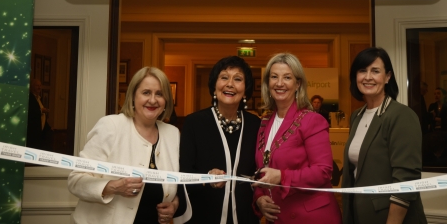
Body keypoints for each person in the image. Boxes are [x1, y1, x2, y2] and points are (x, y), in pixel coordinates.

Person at [68, 67, 189, 224]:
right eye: (146, 92)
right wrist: (113, 187)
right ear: (132, 96)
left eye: (159, 94)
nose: (153, 100)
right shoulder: (111, 125)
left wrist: (174, 204)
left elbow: (179, 184)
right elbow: (76, 180)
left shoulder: (172, 134)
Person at [253, 53, 341, 224]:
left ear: (298, 84)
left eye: (287, 77)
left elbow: (323, 172)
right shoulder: (265, 122)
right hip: (279, 216)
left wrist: (282, 177)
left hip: (311, 217)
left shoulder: (311, 120)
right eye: (274, 77)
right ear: (267, 83)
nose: (279, 83)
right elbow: (261, 168)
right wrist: (259, 197)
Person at [342, 47, 426, 224]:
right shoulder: (356, 116)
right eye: (362, 70)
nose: (368, 77)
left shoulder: (401, 115)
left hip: (391, 218)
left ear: (387, 77)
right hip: (359, 215)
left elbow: (406, 180)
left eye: (375, 71)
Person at [180, 56, 260, 224]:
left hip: (246, 217)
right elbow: (183, 174)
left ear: (245, 90)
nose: (230, 84)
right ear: (214, 86)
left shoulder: (256, 125)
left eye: (237, 79)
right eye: (224, 77)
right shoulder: (194, 123)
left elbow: (260, 172)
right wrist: (207, 178)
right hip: (204, 215)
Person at [26, 78, 52, 150]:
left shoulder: (39, 98)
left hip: (40, 133)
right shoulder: (30, 98)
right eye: (37, 85)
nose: (39, 87)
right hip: (33, 133)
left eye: (40, 85)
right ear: (32, 86)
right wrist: (41, 111)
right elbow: (31, 111)